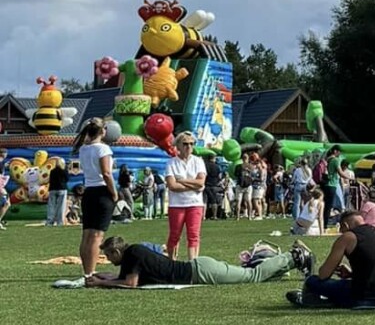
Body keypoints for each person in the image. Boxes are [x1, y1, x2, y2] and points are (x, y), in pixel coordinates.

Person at [87, 234, 302, 289]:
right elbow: (124, 277)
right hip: (199, 268)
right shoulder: (132, 253)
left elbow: (130, 283)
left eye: (108, 255)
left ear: (116, 251)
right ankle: (285, 262)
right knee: (250, 276)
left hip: (201, 272)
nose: (108, 260)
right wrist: (106, 277)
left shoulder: (133, 253)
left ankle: (293, 256)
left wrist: (100, 283)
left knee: (251, 276)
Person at [296, 207, 375, 308]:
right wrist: (351, 274)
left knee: (312, 281)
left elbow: (323, 275)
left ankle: (316, 301)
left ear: (345, 226)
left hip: (363, 297)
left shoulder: (349, 237)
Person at [74, 120, 118, 281]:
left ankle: (87, 271)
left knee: (86, 235)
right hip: (102, 191)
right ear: (103, 131)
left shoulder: (84, 149)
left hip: (89, 191)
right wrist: (114, 193)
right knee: (97, 235)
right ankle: (91, 273)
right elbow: (106, 173)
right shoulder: (103, 148)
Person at [164, 132, 207, 258]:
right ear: (178, 145)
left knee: (194, 235)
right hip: (177, 204)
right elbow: (172, 186)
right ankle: (171, 262)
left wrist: (181, 180)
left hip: (195, 204)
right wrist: (193, 184)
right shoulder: (171, 163)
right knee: (174, 235)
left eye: (191, 144)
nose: (188, 146)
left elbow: (201, 182)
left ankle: (193, 264)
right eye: (185, 144)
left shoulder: (198, 161)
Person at [45, 154, 69, 226]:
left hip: (52, 189)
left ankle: (50, 221)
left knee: (51, 205)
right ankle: (60, 221)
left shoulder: (52, 171)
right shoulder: (64, 171)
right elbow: (67, 179)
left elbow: (50, 180)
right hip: (62, 188)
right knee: (61, 206)